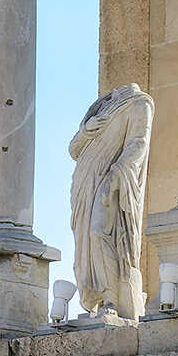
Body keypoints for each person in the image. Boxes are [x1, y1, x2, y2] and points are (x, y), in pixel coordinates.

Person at [68, 82, 153, 320]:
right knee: (85, 239)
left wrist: (116, 175)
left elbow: (138, 143)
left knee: (98, 232)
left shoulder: (139, 102)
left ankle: (112, 299)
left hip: (111, 178)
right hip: (84, 183)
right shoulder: (99, 110)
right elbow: (74, 150)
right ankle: (99, 299)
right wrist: (86, 131)